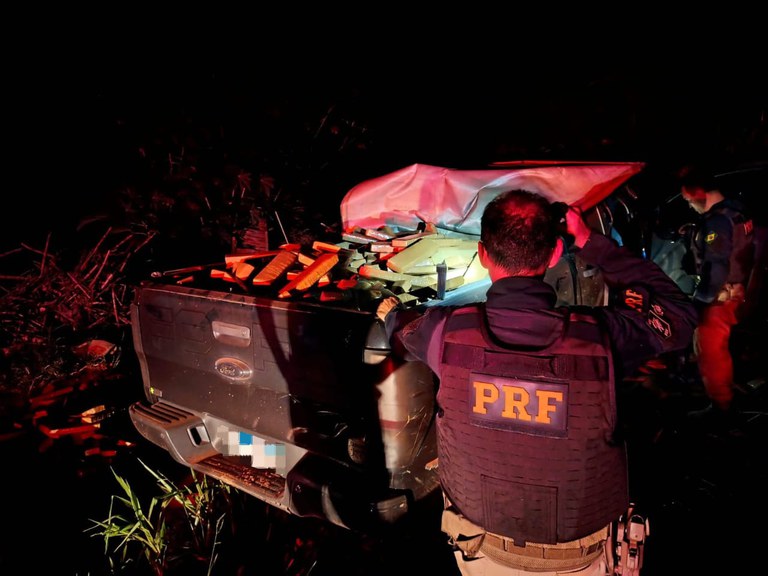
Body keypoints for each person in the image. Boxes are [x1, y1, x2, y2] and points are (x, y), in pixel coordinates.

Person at [376, 189, 697, 576]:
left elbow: (398, 326)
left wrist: (391, 312)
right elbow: (678, 314)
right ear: (554, 255)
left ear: (482, 254)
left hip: (480, 555)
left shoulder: (444, 333)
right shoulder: (602, 340)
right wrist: (588, 241)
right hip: (582, 561)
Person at [677, 164, 756, 420]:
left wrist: (700, 301)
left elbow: (718, 263)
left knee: (711, 349)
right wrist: (693, 232)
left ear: (699, 191)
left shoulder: (718, 221)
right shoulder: (735, 212)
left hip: (720, 297)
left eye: (689, 199)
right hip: (737, 292)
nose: (689, 205)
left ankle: (721, 408)